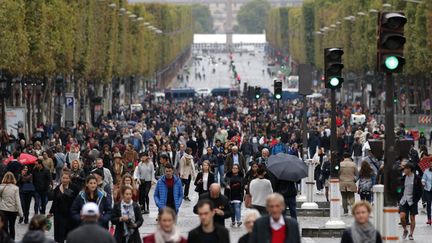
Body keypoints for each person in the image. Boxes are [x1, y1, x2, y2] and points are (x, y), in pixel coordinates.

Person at [49, 169, 78, 243]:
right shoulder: (57, 188)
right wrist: (51, 212)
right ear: (61, 178)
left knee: (70, 234)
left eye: (67, 178)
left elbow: (76, 200)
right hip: (59, 214)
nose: (65, 180)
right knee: (60, 234)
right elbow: (54, 201)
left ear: (69, 179)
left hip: (70, 213)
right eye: (63, 178)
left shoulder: (74, 187)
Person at [399, 163, 423, 240]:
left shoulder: (417, 178)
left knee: (412, 218)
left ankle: (411, 234)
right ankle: (405, 230)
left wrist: (417, 199)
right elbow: (399, 188)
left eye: (405, 169)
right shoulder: (403, 178)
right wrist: (398, 196)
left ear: (409, 169)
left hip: (413, 201)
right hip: (404, 200)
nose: (404, 170)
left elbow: (420, 190)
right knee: (402, 217)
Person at [0, 172, 23, 240]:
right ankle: (12, 240)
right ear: (13, 178)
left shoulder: (1, 187)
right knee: (12, 226)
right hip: (13, 210)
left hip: (3, 209)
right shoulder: (16, 188)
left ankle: (5, 240)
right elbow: (18, 201)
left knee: (4, 227)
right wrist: (21, 213)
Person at [422, 159, 432, 225]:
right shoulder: (426, 171)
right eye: (431, 164)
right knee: (428, 204)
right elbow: (423, 179)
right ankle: (429, 219)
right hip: (428, 190)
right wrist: (423, 182)